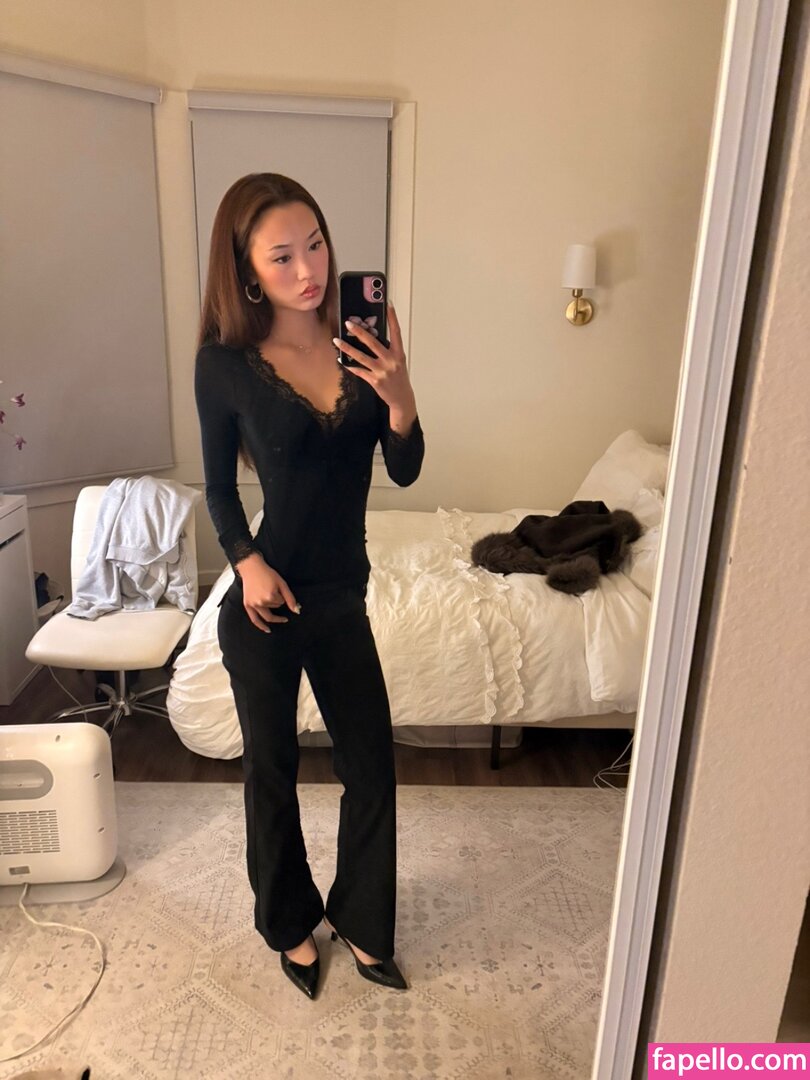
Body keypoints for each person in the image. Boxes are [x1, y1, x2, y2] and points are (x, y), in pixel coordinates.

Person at [193, 173, 425, 1001]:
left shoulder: (362, 341)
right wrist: (246, 562)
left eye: (316, 244)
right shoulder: (224, 366)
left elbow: (404, 469)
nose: (308, 269)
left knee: (372, 767)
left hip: (340, 598)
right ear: (249, 272)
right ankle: (288, 923)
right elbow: (219, 489)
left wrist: (400, 400)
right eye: (282, 255)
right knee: (274, 769)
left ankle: (362, 920)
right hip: (264, 604)